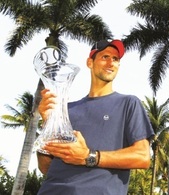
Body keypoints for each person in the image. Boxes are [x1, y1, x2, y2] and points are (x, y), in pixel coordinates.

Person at [37, 39, 154, 195]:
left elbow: (142, 157)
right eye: (105, 57)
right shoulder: (66, 110)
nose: (111, 63)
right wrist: (48, 124)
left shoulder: (128, 103)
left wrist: (88, 156)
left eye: (115, 59)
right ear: (90, 62)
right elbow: (45, 167)